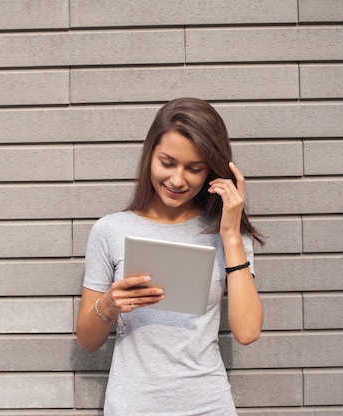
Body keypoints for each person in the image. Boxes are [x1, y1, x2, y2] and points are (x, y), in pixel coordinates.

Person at [76, 97, 264, 415]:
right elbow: (87, 340)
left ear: (211, 173)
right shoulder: (110, 230)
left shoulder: (229, 235)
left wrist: (231, 235)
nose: (177, 180)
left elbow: (247, 332)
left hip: (208, 405)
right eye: (167, 163)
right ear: (150, 156)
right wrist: (108, 304)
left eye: (194, 169)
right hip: (132, 405)